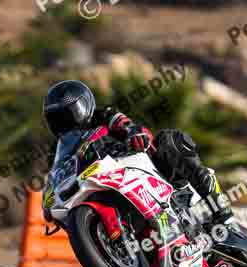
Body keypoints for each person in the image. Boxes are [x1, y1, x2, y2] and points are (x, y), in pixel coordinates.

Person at [41, 79, 232, 225]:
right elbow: (54, 176)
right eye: (57, 118)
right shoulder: (57, 150)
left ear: (84, 104)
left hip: (139, 167)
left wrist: (133, 132)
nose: (65, 121)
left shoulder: (103, 115)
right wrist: (48, 201)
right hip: (97, 183)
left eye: (69, 113)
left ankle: (219, 208)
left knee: (169, 140)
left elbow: (123, 122)